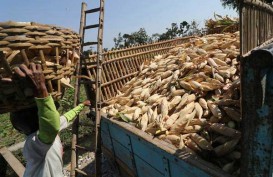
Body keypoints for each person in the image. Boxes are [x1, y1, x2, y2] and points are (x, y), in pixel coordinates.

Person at [10, 63, 91, 177]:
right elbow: (52, 125)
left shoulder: (46, 135)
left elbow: (66, 117)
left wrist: (82, 105)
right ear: (41, 119)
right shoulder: (35, 143)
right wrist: (40, 89)